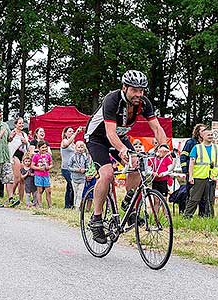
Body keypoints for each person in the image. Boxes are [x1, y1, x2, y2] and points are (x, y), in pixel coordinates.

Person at [84, 70, 168, 243]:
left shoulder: (144, 104)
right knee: (107, 174)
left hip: (119, 137)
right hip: (97, 138)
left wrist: (164, 145)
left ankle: (129, 207)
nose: (138, 94)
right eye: (134, 90)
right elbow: (109, 132)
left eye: (141, 90)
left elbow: (157, 128)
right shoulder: (112, 99)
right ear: (125, 88)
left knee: (137, 166)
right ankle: (97, 219)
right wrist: (123, 150)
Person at [184, 128, 218, 218]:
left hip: (212, 177)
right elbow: (191, 163)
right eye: (208, 135)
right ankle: (187, 216)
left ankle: (209, 217)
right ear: (203, 136)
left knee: (210, 199)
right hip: (199, 176)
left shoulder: (216, 148)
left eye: (211, 135)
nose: (211, 136)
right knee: (194, 198)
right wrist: (190, 176)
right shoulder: (197, 148)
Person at [180, 123, 207, 216]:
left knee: (203, 196)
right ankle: (187, 214)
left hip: (203, 174)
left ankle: (202, 215)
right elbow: (183, 156)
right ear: (197, 132)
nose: (205, 132)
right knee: (191, 194)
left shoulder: (206, 144)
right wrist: (185, 170)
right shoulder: (190, 142)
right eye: (202, 130)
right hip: (192, 173)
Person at [60, 126, 83, 208]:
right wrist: (76, 132)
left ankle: (69, 204)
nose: (72, 132)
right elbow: (66, 144)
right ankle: (70, 204)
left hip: (73, 169)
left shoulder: (74, 144)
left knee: (70, 186)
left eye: (72, 131)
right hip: (66, 168)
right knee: (72, 185)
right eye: (70, 131)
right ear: (65, 133)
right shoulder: (64, 141)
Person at [8, 117, 29, 203]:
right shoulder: (12, 133)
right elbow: (10, 145)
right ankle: (11, 197)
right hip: (14, 156)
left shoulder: (24, 134)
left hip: (23, 156)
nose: (21, 125)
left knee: (22, 179)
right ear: (15, 124)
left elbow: (28, 147)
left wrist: (26, 142)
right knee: (17, 178)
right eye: (19, 123)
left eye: (22, 123)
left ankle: (20, 199)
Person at [68, 141, 90, 210]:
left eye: (81, 147)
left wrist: (85, 170)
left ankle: (77, 207)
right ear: (76, 148)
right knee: (75, 192)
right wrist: (76, 170)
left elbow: (88, 167)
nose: (80, 149)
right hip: (74, 178)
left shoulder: (85, 157)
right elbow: (69, 167)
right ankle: (74, 205)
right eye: (78, 147)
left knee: (80, 193)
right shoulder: (72, 157)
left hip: (82, 179)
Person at [32, 141, 53, 208]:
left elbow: (51, 164)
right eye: (42, 147)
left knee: (48, 191)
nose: (44, 149)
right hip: (38, 175)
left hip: (46, 175)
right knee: (39, 190)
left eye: (45, 147)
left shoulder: (48, 155)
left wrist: (48, 167)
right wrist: (39, 168)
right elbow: (32, 166)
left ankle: (50, 205)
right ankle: (40, 204)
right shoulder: (36, 156)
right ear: (38, 148)